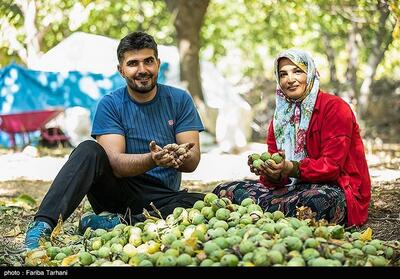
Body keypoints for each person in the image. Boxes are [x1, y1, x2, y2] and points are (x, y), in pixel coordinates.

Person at [25, 31, 205, 249]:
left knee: (200, 204)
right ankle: (43, 224)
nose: (142, 70)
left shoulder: (180, 100)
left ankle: (112, 223)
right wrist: (153, 158)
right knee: (88, 150)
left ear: (158, 63)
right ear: (121, 70)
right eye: (133, 63)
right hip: (117, 191)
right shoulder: (110, 104)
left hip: (161, 196)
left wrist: (181, 155)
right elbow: (116, 165)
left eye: (148, 61)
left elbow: (193, 162)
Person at [213, 49, 371, 227]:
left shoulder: (335, 108)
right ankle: (281, 214)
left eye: (297, 71)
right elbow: (277, 178)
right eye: (283, 74)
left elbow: (331, 167)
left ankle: (267, 212)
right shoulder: (280, 118)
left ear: (310, 73)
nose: (289, 79)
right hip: (292, 190)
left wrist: (291, 167)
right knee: (225, 191)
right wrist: (271, 171)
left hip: (332, 187)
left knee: (318, 201)